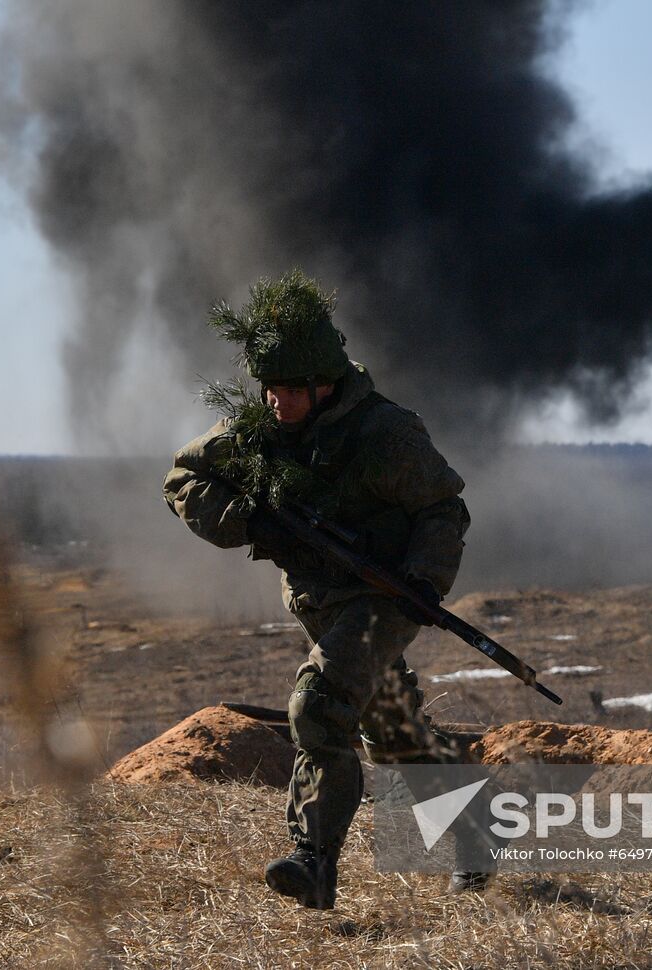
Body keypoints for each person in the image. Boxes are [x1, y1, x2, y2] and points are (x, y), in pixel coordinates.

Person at [163, 270, 485, 909]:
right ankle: (475, 833)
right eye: (269, 388)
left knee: (317, 707)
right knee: (391, 729)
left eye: (289, 389)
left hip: (384, 599)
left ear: (324, 381)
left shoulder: (385, 433)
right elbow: (183, 478)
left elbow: (444, 510)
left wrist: (421, 582)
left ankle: (313, 861)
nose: (277, 401)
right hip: (321, 601)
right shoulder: (260, 431)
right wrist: (254, 523)